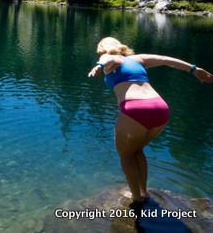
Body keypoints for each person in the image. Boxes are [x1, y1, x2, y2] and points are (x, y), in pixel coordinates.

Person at [88, 37, 213, 206]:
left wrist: (99, 65)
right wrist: (193, 68)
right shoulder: (138, 59)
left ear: (102, 50)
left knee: (125, 155)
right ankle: (143, 192)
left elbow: (108, 58)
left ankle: (136, 198)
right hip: (160, 109)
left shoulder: (111, 60)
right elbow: (165, 60)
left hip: (135, 109)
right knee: (137, 150)